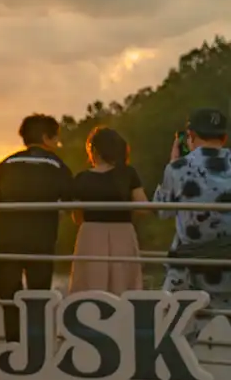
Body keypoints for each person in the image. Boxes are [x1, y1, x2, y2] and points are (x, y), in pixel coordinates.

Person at [0, 114, 74, 341]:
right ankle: (36, 351)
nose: (57, 144)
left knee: (9, 298)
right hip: (40, 241)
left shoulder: (7, 164)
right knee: (38, 297)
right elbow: (71, 200)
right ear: (46, 138)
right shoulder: (56, 165)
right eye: (56, 138)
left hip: (5, 239)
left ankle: (13, 349)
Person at [154, 108, 231, 306]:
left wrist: (172, 162)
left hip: (191, 270)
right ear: (224, 138)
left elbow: (161, 211)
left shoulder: (178, 168)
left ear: (191, 136)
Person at [68, 127, 147, 293]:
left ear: (94, 150)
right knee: (123, 283)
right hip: (122, 233)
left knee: (90, 281)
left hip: (90, 234)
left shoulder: (82, 178)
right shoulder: (127, 174)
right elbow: (143, 207)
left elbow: (76, 217)